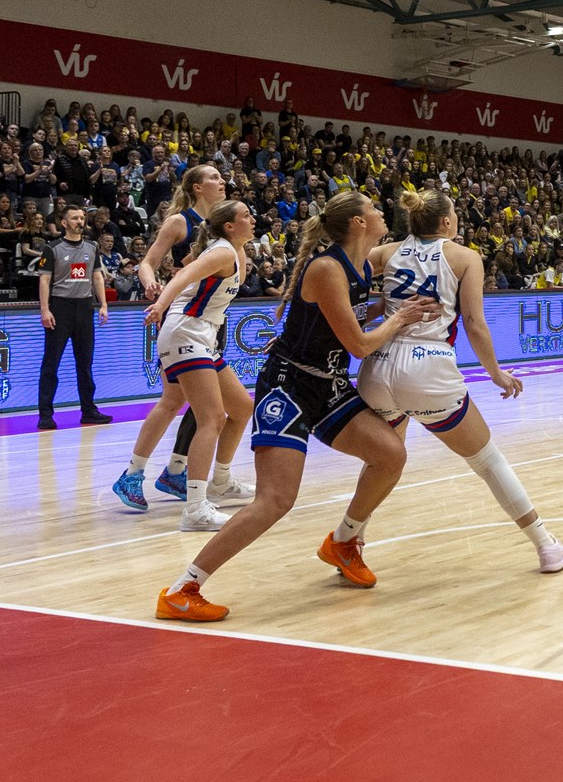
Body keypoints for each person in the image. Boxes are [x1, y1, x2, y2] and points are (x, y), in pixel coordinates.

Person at [157, 191, 439, 621]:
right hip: (289, 386)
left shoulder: (363, 265)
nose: (382, 212)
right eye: (373, 209)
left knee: (390, 454)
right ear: (358, 223)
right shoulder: (326, 268)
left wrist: (389, 304)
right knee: (275, 500)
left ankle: (344, 541)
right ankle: (183, 588)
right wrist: (399, 318)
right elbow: (359, 345)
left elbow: (347, 317)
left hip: (327, 385)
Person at [358, 187, 563, 573]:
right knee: (487, 460)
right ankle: (547, 546)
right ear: (446, 221)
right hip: (426, 368)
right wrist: (496, 373)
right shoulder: (464, 257)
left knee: (382, 461)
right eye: (455, 213)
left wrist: (375, 307)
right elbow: (474, 324)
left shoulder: (385, 253)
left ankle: (351, 539)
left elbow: (343, 274)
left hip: (377, 367)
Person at [114, 201, 258, 532]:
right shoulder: (222, 252)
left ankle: (220, 480)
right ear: (229, 226)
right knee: (212, 418)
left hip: (201, 334)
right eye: (246, 216)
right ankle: (194, 508)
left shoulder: (234, 252)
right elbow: (183, 276)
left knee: (241, 408)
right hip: (186, 331)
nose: (253, 219)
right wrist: (160, 305)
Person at [134, 165, 232, 504]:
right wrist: (151, 284)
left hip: (211, 318)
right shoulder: (180, 222)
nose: (222, 181)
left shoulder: (223, 223)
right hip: (182, 315)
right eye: (214, 178)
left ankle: (176, 469)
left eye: (222, 177)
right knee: (175, 399)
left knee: (201, 402)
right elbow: (147, 263)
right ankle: (137, 473)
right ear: (196, 187)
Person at [36, 205, 111, 431]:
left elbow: (97, 277)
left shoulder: (92, 246)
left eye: (82, 218)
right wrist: (45, 310)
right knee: (51, 363)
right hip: (60, 307)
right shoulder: (52, 248)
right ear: (64, 223)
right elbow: (44, 280)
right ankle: (45, 415)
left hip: (84, 307)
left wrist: (103, 304)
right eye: (75, 218)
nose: (80, 221)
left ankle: (89, 410)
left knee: (85, 363)